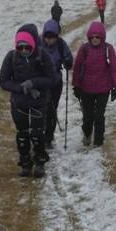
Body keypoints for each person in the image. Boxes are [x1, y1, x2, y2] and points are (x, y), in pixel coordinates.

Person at [0, 23, 55, 177]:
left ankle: (40, 162)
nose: (23, 50)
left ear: (34, 44)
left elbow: (52, 79)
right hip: (19, 102)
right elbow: (3, 81)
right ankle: (25, 163)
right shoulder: (11, 57)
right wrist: (21, 88)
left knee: (37, 134)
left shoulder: (42, 56)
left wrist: (34, 83)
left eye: (27, 47)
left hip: (38, 102)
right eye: (20, 47)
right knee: (22, 135)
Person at [72, 20, 116, 148]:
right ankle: (87, 134)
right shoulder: (84, 49)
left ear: (102, 37)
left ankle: (98, 142)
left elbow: (114, 69)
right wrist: (76, 85)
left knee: (99, 116)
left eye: (97, 37)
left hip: (103, 89)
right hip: (86, 89)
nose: (94, 39)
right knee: (88, 117)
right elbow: (77, 68)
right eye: (92, 36)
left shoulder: (108, 49)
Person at [38, 18, 72, 148]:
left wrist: (67, 62)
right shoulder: (39, 43)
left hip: (55, 82)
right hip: (40, 83)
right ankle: (39, 135)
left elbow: (68, 58)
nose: (49, 40)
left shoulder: (61, 44)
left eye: (52, 38)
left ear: (57, 36)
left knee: (52, 110)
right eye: (47, 37)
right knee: (41, 109)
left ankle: (48, 137)